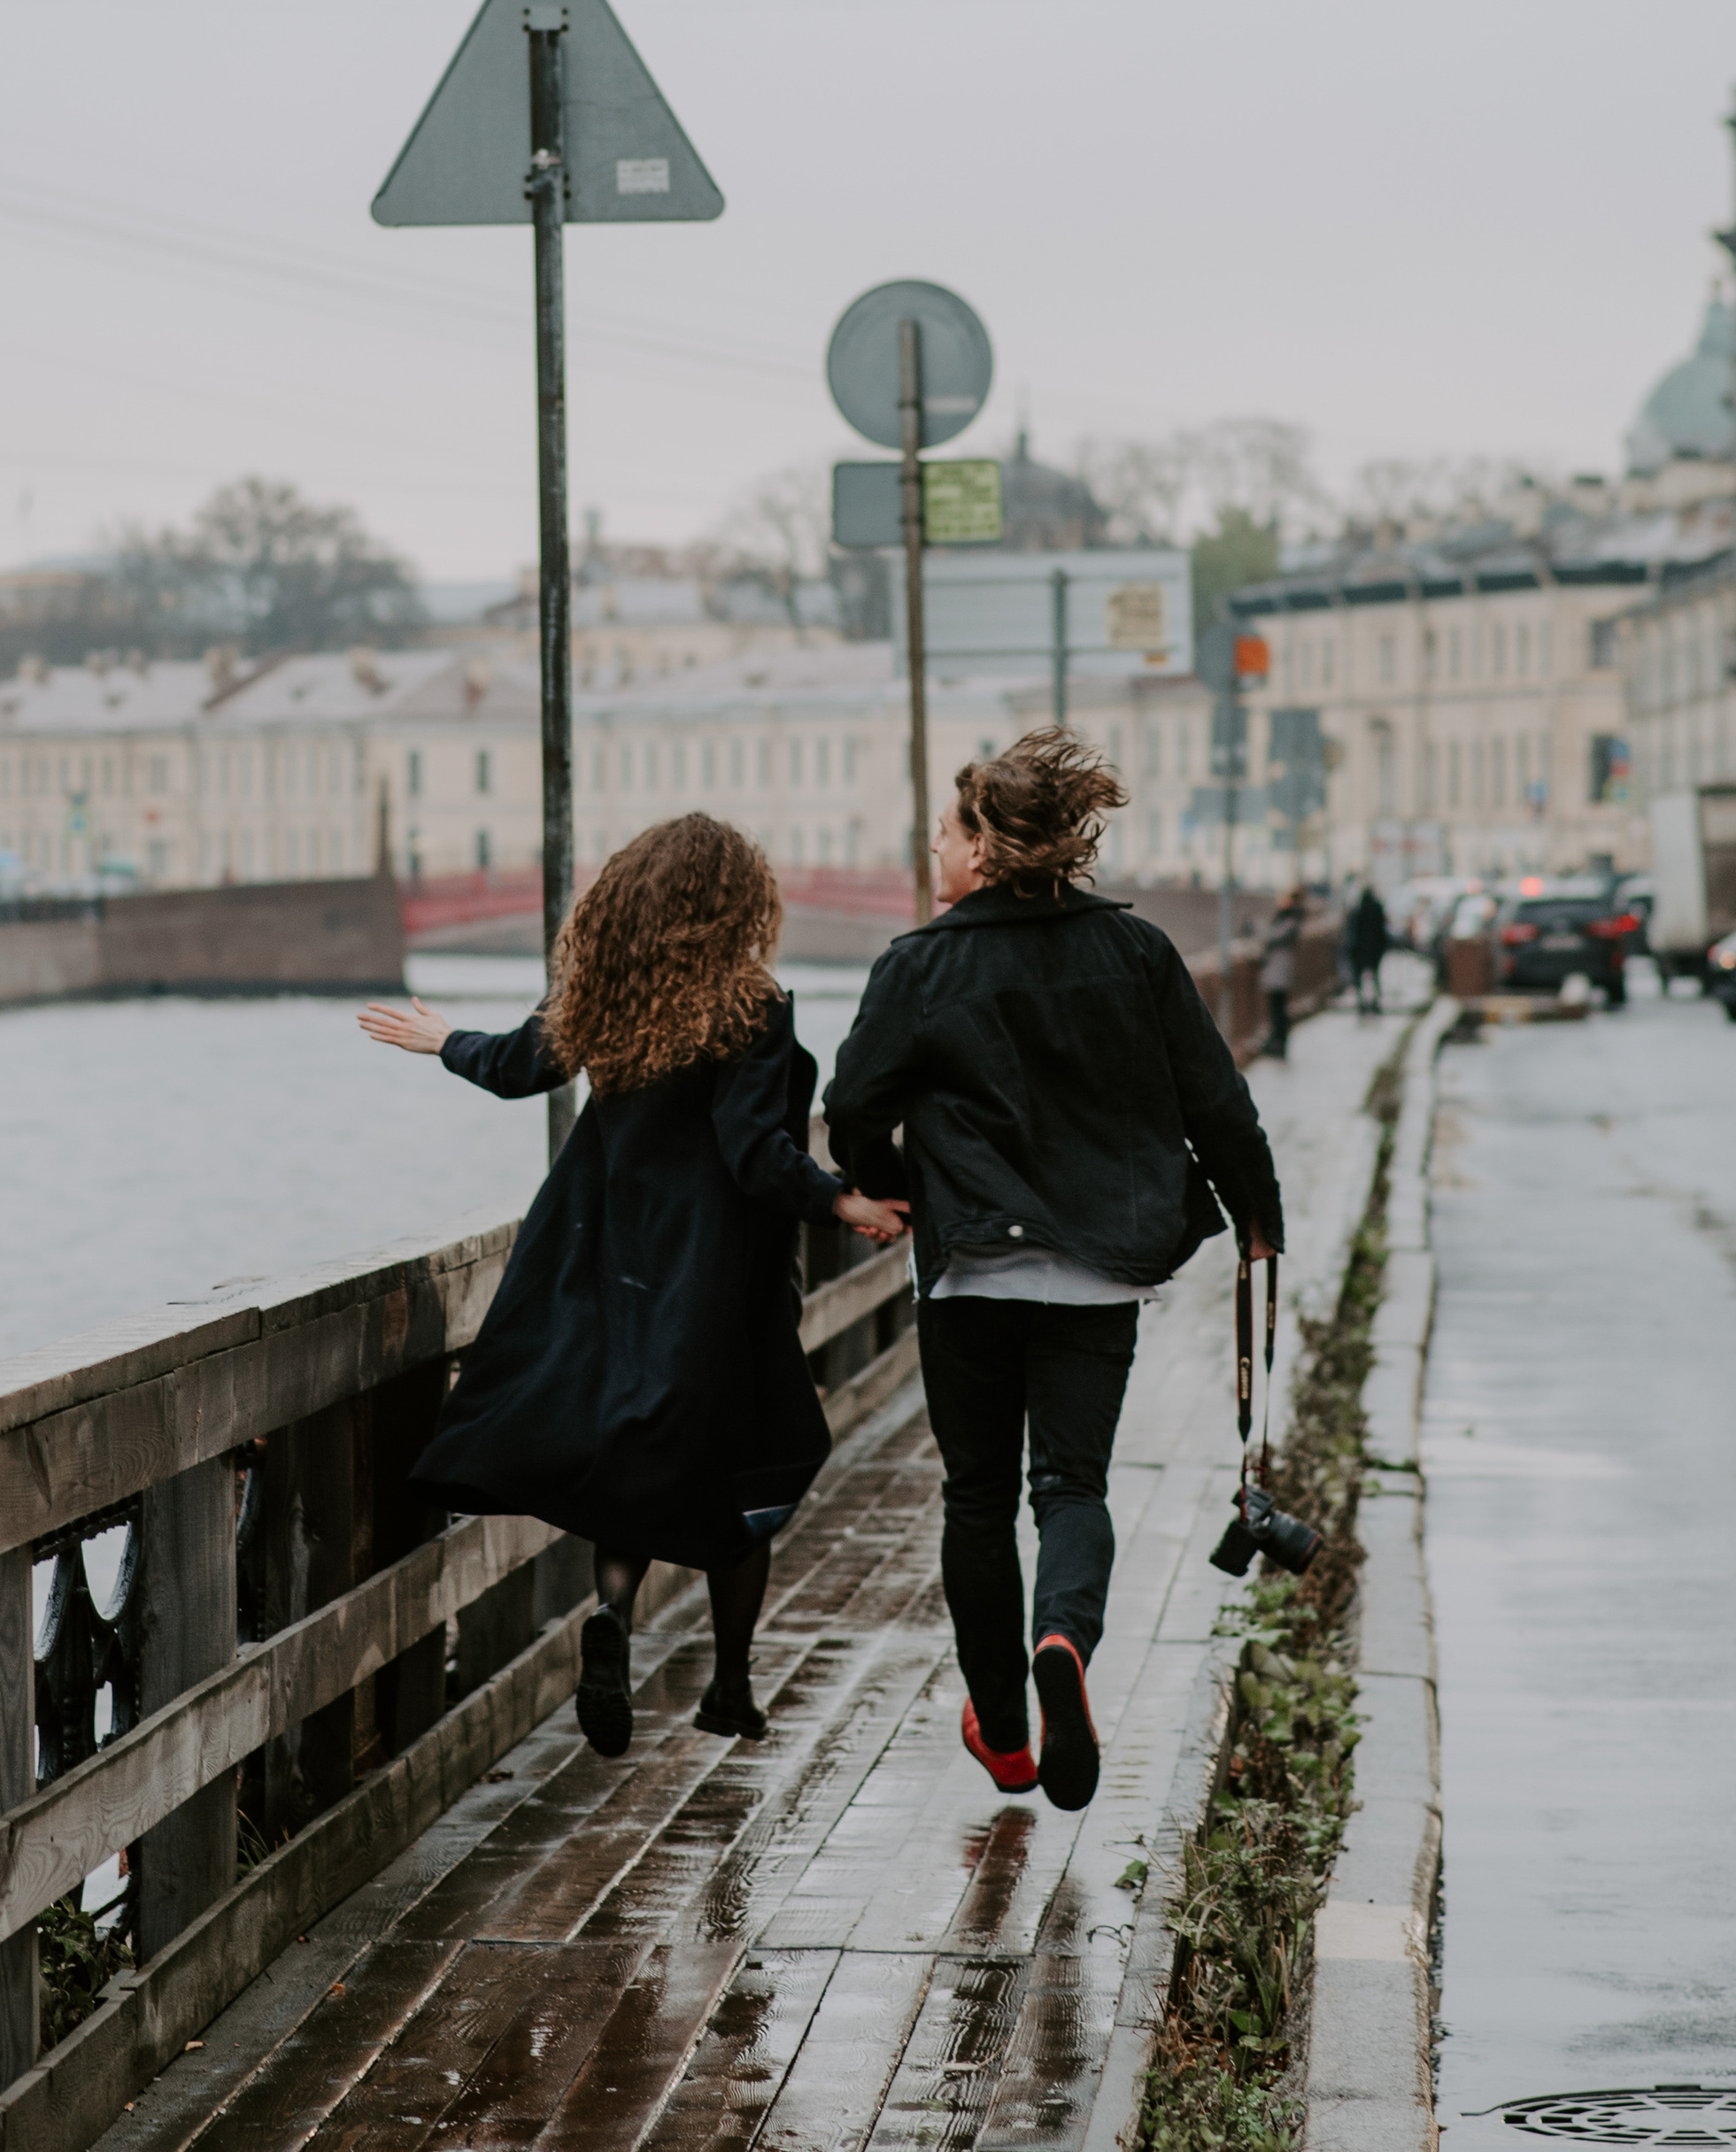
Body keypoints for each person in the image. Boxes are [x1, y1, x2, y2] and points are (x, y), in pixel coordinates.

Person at [359, 813, 909, 1757]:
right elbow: (753, 1155)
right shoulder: (752, 1007)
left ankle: (613, 1610)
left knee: (631, 1459)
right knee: (752, 1467)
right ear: (740, 904)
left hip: (607, 1269)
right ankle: (731, 1687)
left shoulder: (606, 993)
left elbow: (517, 1067)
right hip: (718, 1278)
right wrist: (839, 1204)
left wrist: (445, 1039)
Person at [825, 730, 1283, 1816]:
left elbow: (851, 1109)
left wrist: (889, 1183)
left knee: (976, 1500)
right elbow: (1214, 1097)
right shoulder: (1136, 953)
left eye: (946, 828)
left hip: (973, 1271)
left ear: (983, 846)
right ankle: (1062, 1637)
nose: (934, 845)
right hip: (1098, 1272)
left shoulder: (918, 965)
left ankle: (1008, 1734)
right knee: (1070, 1487)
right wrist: (1256, 1217)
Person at [1259, 889, 1303, 1058]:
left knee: (1278, 1007)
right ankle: (1276, 1040)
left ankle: (1278, 1042)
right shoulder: (1290, 918)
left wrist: (1261, 929)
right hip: (1279, 968)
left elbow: (1273, 936)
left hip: (1280, 968)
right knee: (1277, 1006)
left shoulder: (1290, 919)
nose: (1280, 900)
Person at [1346, 880, 1388, 1015]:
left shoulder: (1357, 910)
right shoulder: (1377, 908)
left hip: (1360, 948)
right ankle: (1376, 1002)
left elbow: (1352, 930)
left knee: (1360, 977)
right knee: (1375, 976)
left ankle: (1361, 1003)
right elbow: (1382, 929)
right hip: (1375, 948)